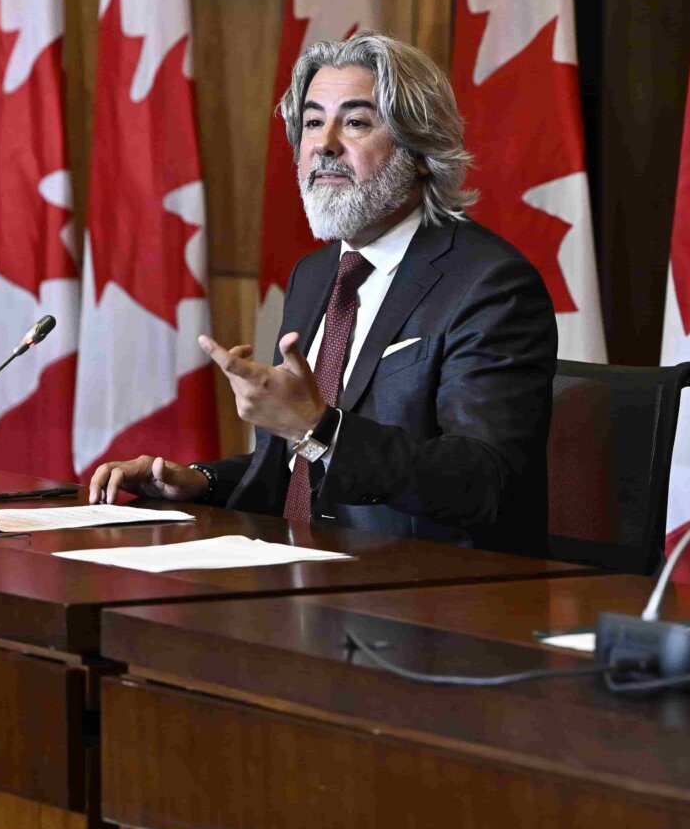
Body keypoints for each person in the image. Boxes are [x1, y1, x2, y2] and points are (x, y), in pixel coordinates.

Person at [89, 33, 557, 553]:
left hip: (420, 583)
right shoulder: (315, 274)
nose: (324, 145)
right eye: (313, 123)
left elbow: (485, 481)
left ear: (422, 151)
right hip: (296, 566)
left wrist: (318, 427)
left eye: (355, 123)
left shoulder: (489, 284)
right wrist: (199, 481)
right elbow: (299, 467)